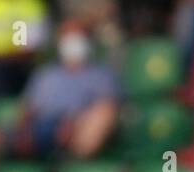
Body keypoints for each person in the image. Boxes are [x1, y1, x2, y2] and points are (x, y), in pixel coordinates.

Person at [8, 20, 120, 159]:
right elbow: (28, 108)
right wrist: (25, 131)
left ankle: (73, 167)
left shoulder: (102, 75)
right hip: (41, 128)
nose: (73, 41)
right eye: (68, 36)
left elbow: (107, 108)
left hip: (75, 129)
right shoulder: (45, 74)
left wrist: (74, 123)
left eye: (78, 36)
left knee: (104, 114)